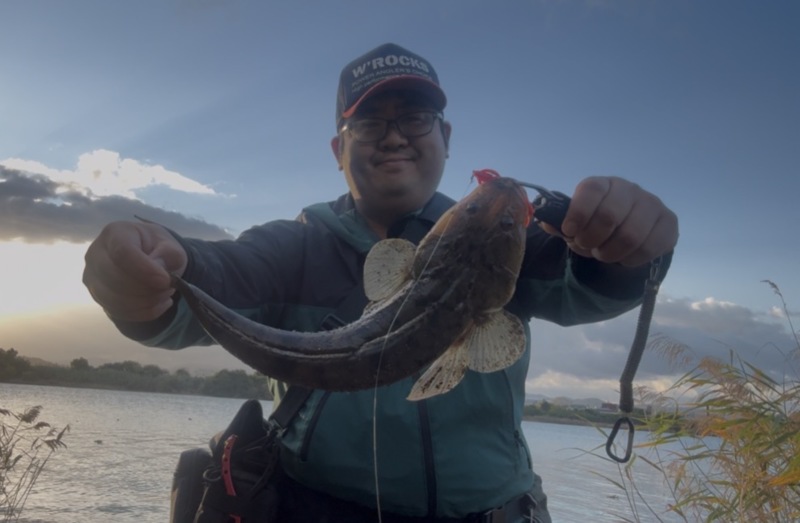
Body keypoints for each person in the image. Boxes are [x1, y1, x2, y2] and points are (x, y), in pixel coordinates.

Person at [83, 43, 679, 523]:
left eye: (415, 118)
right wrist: (160, 272)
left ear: (447, 138)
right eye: (369, 123)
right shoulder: (294, 247)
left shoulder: (518, 243)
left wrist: (626, 245)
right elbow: (218, 274)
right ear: (339, 149)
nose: (394, 136)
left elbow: (591, 279)